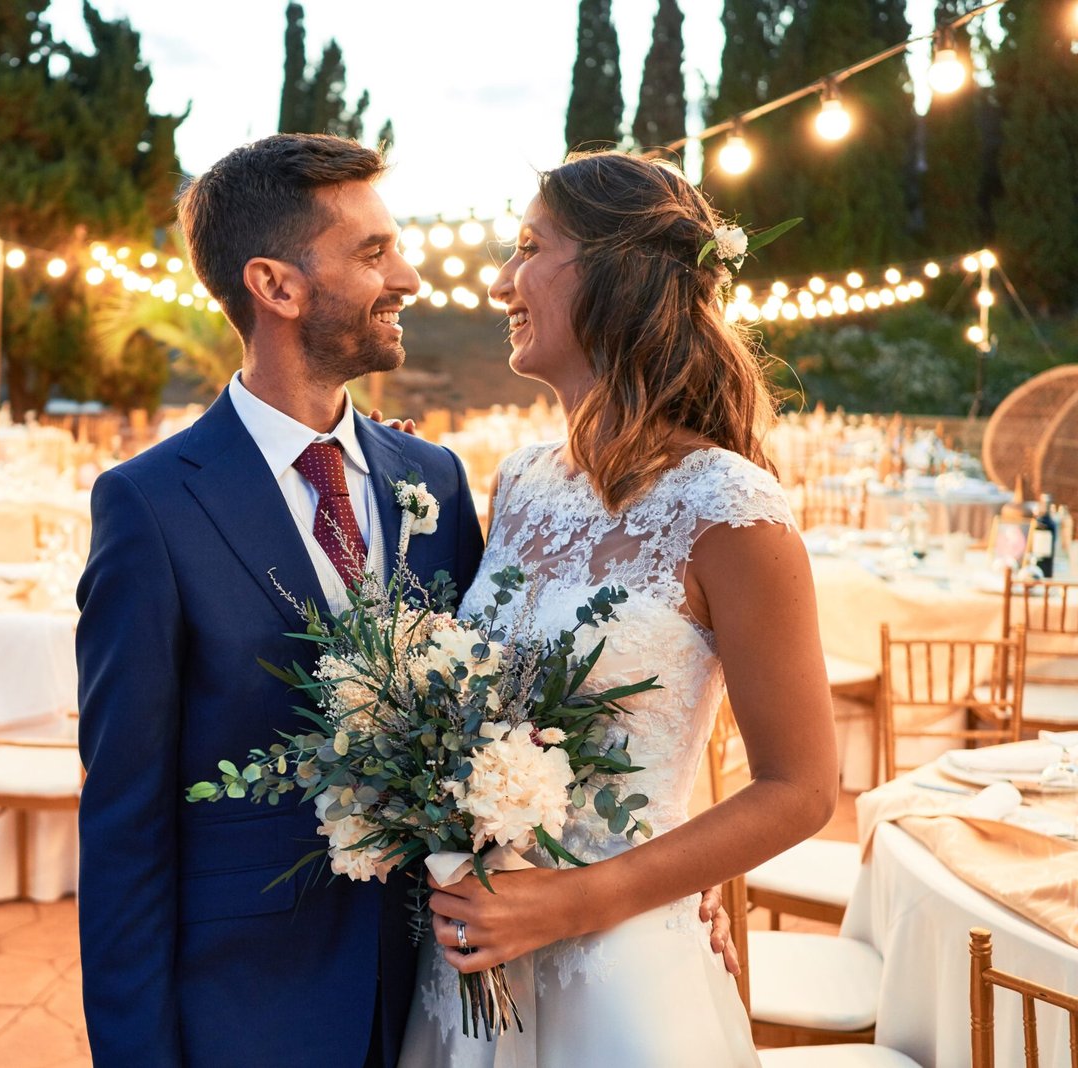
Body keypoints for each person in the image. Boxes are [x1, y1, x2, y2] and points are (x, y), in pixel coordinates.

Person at [401, 151, 838, 1066]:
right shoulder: (518, 482)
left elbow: (801, 788)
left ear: (615, 274)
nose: (501, 282)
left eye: (528, 248)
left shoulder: (730, 506)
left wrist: (579, 899)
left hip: (622, 976)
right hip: (473, 964)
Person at [74, 133, 486, 1068]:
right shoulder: (148, 506)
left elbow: (503, 720)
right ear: (277, 286)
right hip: (255, 1009)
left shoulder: (436, 481)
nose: (409, 276)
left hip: (443, 999)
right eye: (374, 253)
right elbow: (126, 826)